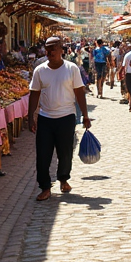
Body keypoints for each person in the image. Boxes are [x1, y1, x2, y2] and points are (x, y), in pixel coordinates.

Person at [28, 36, 90, 201]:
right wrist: (30, 116)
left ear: (61, 49)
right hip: (45, 118)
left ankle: (63, 179)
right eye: (47, 48)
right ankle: (45, 187)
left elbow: (79, 93)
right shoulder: (40, 70)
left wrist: (85, 115)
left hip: (66, 117)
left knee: (65, 152)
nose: (50, 52)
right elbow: (34, 94)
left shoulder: (71, 69)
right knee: (43, 154)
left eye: (54, 48)